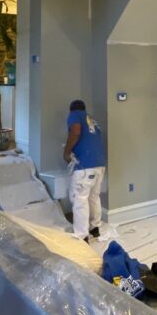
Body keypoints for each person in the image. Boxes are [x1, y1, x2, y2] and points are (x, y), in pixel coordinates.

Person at [63, 99, 106, 241]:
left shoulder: (75, 115)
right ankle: (95, 227)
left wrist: (66, 152)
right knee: (94, 196)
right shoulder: (92, 120)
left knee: (79, 198)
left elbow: (75, 132)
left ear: (72, 110)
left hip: (85, 166)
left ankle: (82, 235)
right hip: (99, 164)